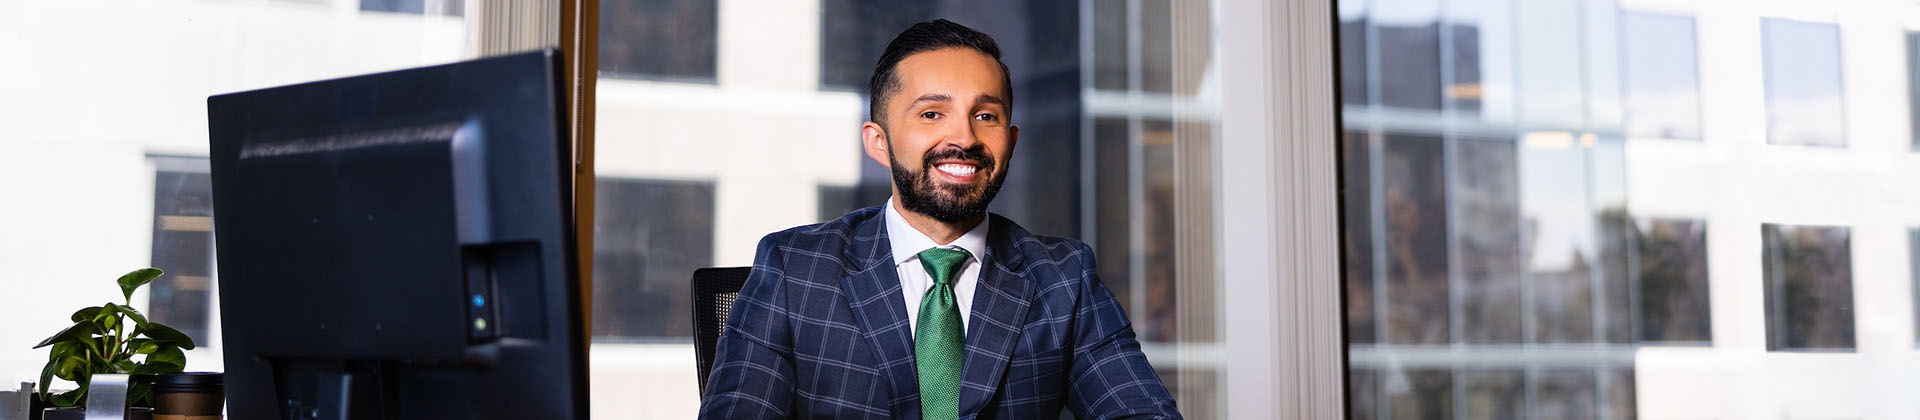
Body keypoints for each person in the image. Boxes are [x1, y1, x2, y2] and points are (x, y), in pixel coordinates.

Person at [698, 19, 1181, 420]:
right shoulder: (794, 268)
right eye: (932, 114)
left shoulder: (1064, 278)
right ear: (878, 141)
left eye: (986, 116)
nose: (964, 138)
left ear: (1010, 142)